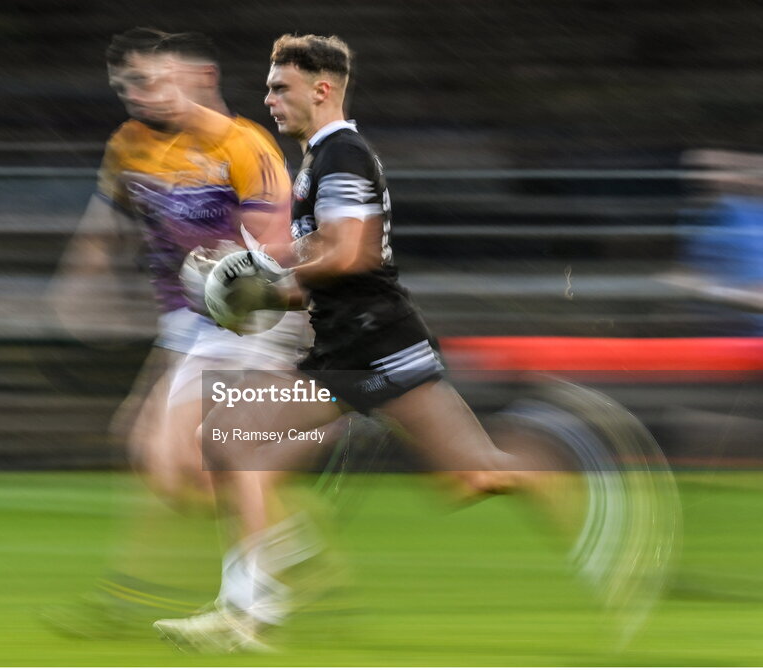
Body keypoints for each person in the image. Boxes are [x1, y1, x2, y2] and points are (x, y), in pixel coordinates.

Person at [154, 33, 677, 653]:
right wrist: (253, 288)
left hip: (380, 349)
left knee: (476, 475)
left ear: (321, 89)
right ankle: (247, 611)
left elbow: (353, 254)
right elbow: (330, 264)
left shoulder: (342, 154)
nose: (268, 98)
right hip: (344, 351)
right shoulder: (320, 160)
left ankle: (580, 465)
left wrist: (268, 281)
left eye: (279, 87)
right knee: (230, 438)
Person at [46, 28, 333, 637]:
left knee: (197, 454)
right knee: (171, 466)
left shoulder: (243, 145)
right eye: (126, 85)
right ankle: (281, 546)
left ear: (200, 78)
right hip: (189, 320)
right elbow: (103, 225)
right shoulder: (129, 145)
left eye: (152, 79)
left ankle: (248, 598)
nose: (138, 94)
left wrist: (233, 277)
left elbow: (276, 250)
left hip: (249, 317)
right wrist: (79, 280)